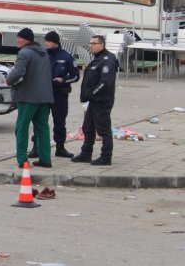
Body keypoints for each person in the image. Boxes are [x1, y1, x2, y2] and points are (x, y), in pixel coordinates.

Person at [6, 28, 55, 169]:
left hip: (27, 97)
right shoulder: (43, 52)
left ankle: (22, 160)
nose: (18, 40)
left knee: (21, 128)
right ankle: (45, 159)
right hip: (44, 97)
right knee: (42, 128)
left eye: (20, 38)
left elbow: (19, 71)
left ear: (26, 39)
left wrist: (9, 80)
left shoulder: (24, 53)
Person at [28, 31, 80, 159]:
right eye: (46, 41)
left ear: (55, 42)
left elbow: (76, 75)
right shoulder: (43, 55)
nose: (46, 43)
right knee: (39, 122)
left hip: (59, 95)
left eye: (49, 41)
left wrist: (64, 80)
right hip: (43, 94)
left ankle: (60, 147)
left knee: (60, 121)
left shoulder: (66, 57)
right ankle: (36, 147)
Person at [72, 35, 118, 166]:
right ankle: (86, 153)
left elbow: (105, 82)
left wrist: (92, 93)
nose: (91, 46)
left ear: (102, 44)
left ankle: (106, 157)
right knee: (88, 127)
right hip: (94, 101)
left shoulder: (107, 60)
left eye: (94, 43)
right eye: (90, 43)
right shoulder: (97, 59)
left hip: (101, 101)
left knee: (103, 130)